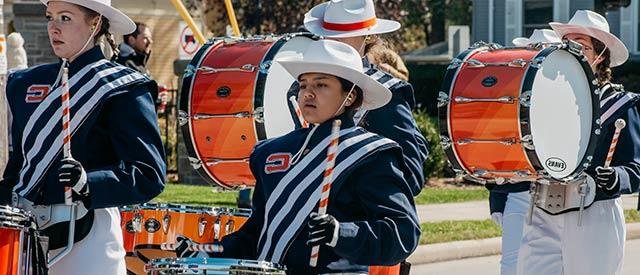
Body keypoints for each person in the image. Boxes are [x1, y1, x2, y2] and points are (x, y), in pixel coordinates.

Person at [177, 39, 420, 274]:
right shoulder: (270, 152)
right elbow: (256, 235)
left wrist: (340, 232)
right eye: (304, 85)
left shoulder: (371, 154)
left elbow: (403, 232)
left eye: (321, 85)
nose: (308, 93)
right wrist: (206, 251)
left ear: (350, 96)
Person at [0, 1, 166, 274]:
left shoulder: (123, 88)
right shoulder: (26, 84)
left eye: (65, 18)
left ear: (96, 23)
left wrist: (89, 182)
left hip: (89, 233)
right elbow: (20, 165)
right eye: (50, 17)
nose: (53, 27)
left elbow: (149, 175)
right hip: (23, 234)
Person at [516, 10, 640, 275]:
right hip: (541, 207)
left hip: (593, 212)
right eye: (567, 45)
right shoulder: (543, 101)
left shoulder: (620, 105)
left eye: (580, 46)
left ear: (600, 55)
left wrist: (618, 176)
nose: (571, 51)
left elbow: (635, 166)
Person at [293, 0, 428, 197]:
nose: (333, 43)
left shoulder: (387, 91)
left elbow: (409, 174)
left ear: (369, 36)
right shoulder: (298, 88)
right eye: (329, 36)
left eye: (344, 36)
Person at [485, 28, 561, 275]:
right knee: (513, 266)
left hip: (561, 196)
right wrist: (497, 198)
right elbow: (497, 151)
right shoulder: (509, 97)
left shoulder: (570, 98)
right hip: (519, 193)